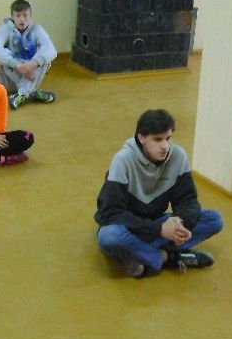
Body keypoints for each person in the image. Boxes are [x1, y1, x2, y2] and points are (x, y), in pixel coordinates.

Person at [95, 109, 224, 277]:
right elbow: (109, 213)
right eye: (157, 139)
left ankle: (138, 254)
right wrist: (158, 230)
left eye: (168, 138)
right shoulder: (122, 160)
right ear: (141, 137)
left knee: (214, 220)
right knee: (109, 236)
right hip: (129, 226)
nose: (165, 146)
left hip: (156, 222)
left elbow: (188, 200)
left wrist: (179, 223)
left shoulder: (178, 156)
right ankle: (169, 258)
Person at [0, 0, 57, 110]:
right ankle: (31, 93)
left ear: (30, 16)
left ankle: (22, 94)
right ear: (12, 17)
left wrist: (33, 63)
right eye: (18, 16)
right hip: (10, 77)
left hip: (31, 73)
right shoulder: (4, 30)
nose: (22, 19)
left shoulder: (37, 29)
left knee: (43, 58)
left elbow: (51, 50)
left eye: (25, 15)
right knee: (0, 57)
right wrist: (18, 65)